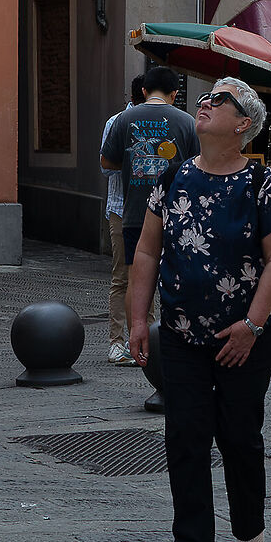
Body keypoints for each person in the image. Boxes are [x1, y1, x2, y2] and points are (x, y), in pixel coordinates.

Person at [126, 76, 271, 542]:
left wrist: (252, 324)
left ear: (243, 124)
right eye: (205, 97)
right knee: (186, 433)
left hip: (247, 331)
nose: (206, 103)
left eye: (219, 101)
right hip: (182, 330)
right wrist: (138, 318)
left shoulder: (262, 183)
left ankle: (249, 530)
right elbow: (146, 251)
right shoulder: (173, 177)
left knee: (239, 433)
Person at [98, 68, 193, 364]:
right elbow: (195, 165)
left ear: (142, 91)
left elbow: (106, 161)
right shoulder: (187, 121)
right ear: (175, 93)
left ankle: (132, 342)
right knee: (174, 277)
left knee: (130, 277)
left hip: (133, 214)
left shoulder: (123, 119)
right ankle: (170, 341)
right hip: (174, 214)